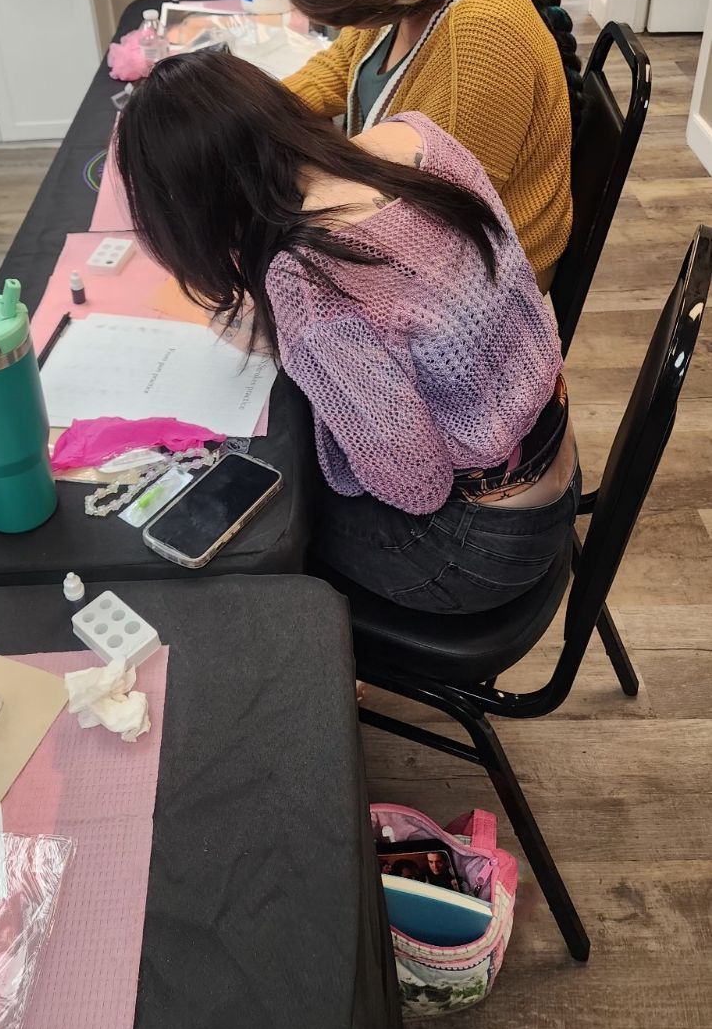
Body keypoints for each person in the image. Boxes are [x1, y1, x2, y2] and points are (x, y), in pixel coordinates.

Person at [115, 51, 580, 615]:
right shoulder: (417, 138)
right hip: (557, 463)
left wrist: (310, 362)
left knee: (269, 534)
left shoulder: (310, 277)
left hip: (481, 548)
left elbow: (415, 483)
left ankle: (325, 671)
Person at [280, 0, 583, 291]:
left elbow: (445, 210)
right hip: (421, 213)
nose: (344, 29)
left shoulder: (480, 39)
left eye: (344, 18)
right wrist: (260, 108)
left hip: (491, 267)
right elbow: (339, 66)